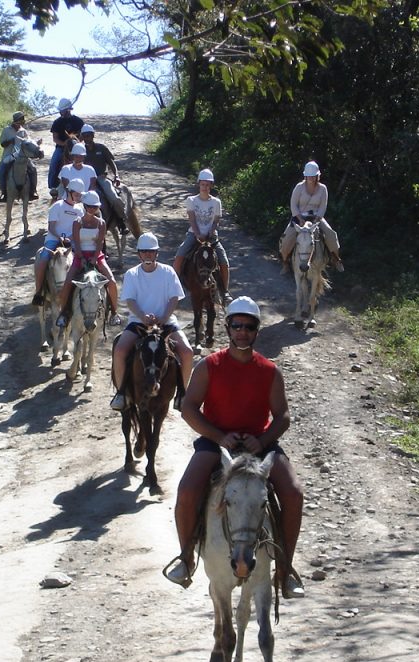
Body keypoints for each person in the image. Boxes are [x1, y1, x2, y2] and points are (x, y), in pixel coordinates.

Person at [166, 296, 306, 599]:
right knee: (188, 490)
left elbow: (283, 415)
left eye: (249, 326)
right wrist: (218, 437)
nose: (242, 331)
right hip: (216, 443)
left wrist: (264, 440)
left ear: (257, 330)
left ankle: (285, 569)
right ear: (228, 328)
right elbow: (189, 408)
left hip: (258, 443)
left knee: (293, 493)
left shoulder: (269, 370)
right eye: (237, 325)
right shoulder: (209, 366)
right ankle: (186, 558)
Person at [110, 232, 194, 412]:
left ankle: (182, 394)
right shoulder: (132, 274)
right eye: (144, 251)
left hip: (166, 322)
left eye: (151, 251)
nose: (148, 255)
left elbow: (174, 297)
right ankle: (121, 392)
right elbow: (130, 300)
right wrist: (142, 316)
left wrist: (164, 317)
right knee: (120, 350)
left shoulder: (168, 272)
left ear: (157, 253)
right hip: (139, 323)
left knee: (187, 352)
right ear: (139, 253)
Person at [55, 190, 120, 327]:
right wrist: (81, 257)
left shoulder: (101, 223)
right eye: (89, 206)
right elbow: (76, 244)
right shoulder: (77, 222)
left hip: (96, 255)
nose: (92, 209)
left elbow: (100, 243)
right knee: (67, 282)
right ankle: (64, 313)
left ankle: (114, 312)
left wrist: (95, 257)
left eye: (94, 206)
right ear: (84, 206)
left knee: (112, 281)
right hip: (80, 255)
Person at [173, 168, 231, 305]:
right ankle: (174, 286)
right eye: (202, 184)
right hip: (194, 234)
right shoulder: (191, 200)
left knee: (224, 261)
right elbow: (192, 219)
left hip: (211, 236)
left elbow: (216, 220)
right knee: (179, 255)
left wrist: (211, 232)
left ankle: (225, 291)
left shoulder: (216, 202)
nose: (205, 187)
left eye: (207, 184)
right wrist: (198, 234)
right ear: (199, 184)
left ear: (211, 185)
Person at [279, 161, 343, 274]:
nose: (311, 178)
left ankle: (336, 259)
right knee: (285, 240)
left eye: (313, 176)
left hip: (316, 218)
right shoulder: (299, 187)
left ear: (317, 176)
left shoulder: (323, 189)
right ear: (305, 176)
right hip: (299, 217)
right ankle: (285, 262)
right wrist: (299, 219)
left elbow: (323, 206)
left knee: (331, 234)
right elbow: (293, 204)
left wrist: (317, 220)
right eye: (309, 176)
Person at [32, 177, 85, 307]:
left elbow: (79, 228)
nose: (78, 197)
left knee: (84, 260)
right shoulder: (57, 206)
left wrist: (71, 238)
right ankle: (39, 292)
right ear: (69, 192)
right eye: (76, 194)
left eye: (80, 195)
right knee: (43, 258)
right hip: (54, 239)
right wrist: (60, 237)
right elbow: (51, 227)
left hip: (71, 240)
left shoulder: (80, 209)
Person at [79, 125, 128, 230]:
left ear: (93, 136)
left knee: (114, 198)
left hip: (102, 178)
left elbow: (111, 163)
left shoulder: (102, 148)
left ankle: (121, 221)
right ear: (82, 137)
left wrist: (117, 176)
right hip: (86, 180)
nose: (87, 138)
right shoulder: (80, 150)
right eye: (85, 136)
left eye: (89, 135)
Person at [0, 111, 39, 202]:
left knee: (33, 169)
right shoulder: (6, 130)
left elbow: (28, 143)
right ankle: (4, 192)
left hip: (22, 156)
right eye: (21, 119)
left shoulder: (23, 131)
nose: (23, 121)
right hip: (9, 155)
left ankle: (33, 191)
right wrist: (11, 140)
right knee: (0, 172)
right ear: (17, 120)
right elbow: (2, 144)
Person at [48, 98, 84, 191]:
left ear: (68, 109)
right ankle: (53, 186)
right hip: (61, 148)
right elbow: (55, 138)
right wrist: (65, 144)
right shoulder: (57, 122)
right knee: (54, 163)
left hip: (77, 146)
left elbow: (82, 135)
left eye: (62, 110)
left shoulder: (78, 121)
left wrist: (76, 143)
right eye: (60, 110)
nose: (61, 112)